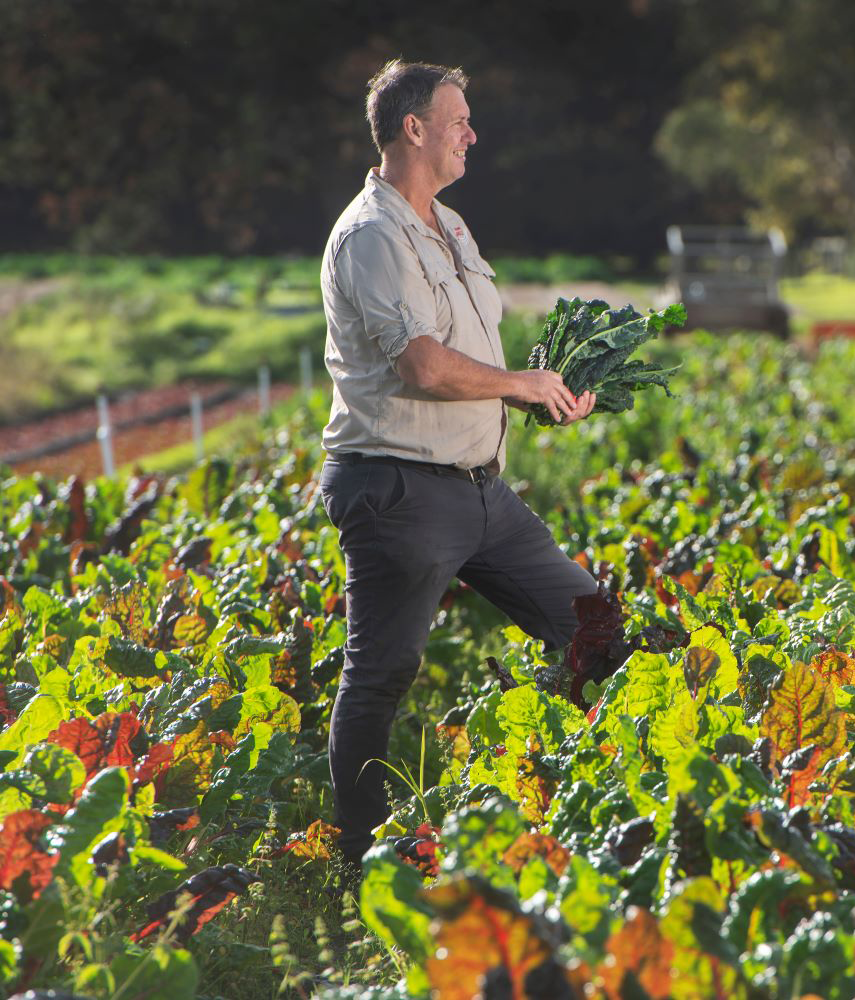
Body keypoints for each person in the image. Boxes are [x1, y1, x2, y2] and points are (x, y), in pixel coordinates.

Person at [317, 59, 598, 869]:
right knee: (379, 675)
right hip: (399, 489)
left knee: (595, 631)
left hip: (480, 493)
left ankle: (604, 803)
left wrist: (543, 392)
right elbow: (423, 366)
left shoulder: (451, 225)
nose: (472, 133)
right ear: (414, 129)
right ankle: (361, 866)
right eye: (458, 120)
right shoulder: (373, 234)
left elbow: (472, 357)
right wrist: (519, 384)